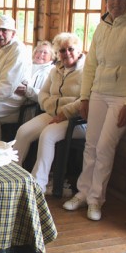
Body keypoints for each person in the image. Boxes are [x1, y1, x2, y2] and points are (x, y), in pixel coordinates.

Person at [63, 0, 126, 221]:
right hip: (98, 95)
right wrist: (85, 96)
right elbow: (91, 64)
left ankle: (96, 200)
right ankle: (82, 194)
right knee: (91, 145)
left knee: (105, 147)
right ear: (106, 1)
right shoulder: (102, 27)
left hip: (122, 98)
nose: (116, 3)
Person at [14, 32, 86, 193]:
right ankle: (12, 176)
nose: (66, 53)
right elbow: (43, 94)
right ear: (57, 54)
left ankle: (38, 184)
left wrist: (64, 113)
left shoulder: (87, 71)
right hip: (52, 113)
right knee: (24, 131)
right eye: (62, 50)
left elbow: (84, 100)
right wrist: (50, 106)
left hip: (76, 119)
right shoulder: (55, 71)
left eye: (70, 49)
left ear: (79, 50)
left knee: (48, 135)